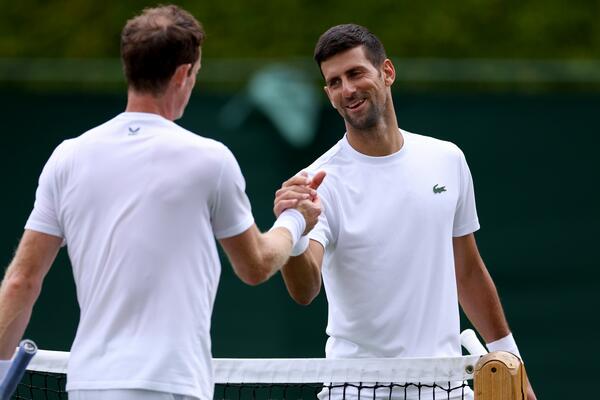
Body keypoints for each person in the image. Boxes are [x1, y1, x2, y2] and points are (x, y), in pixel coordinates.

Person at [0, 5, 323, 400]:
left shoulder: (67, 157)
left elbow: (21, 280)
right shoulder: (210, 159)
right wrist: (294, 220)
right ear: (183, 74)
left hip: (91, 386)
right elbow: (255, 265)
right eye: (196, 74)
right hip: (172, 386)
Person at [274, 24, 536, 399]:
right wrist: (298, 236)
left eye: (355, 73)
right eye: (334, 82)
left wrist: (512, 359)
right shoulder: (316, 184)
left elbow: (468, 271)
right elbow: (304, 289)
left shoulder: (448, 159)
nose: (347, 89)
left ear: (387, 72)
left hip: (445, 386)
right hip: (357, 390)